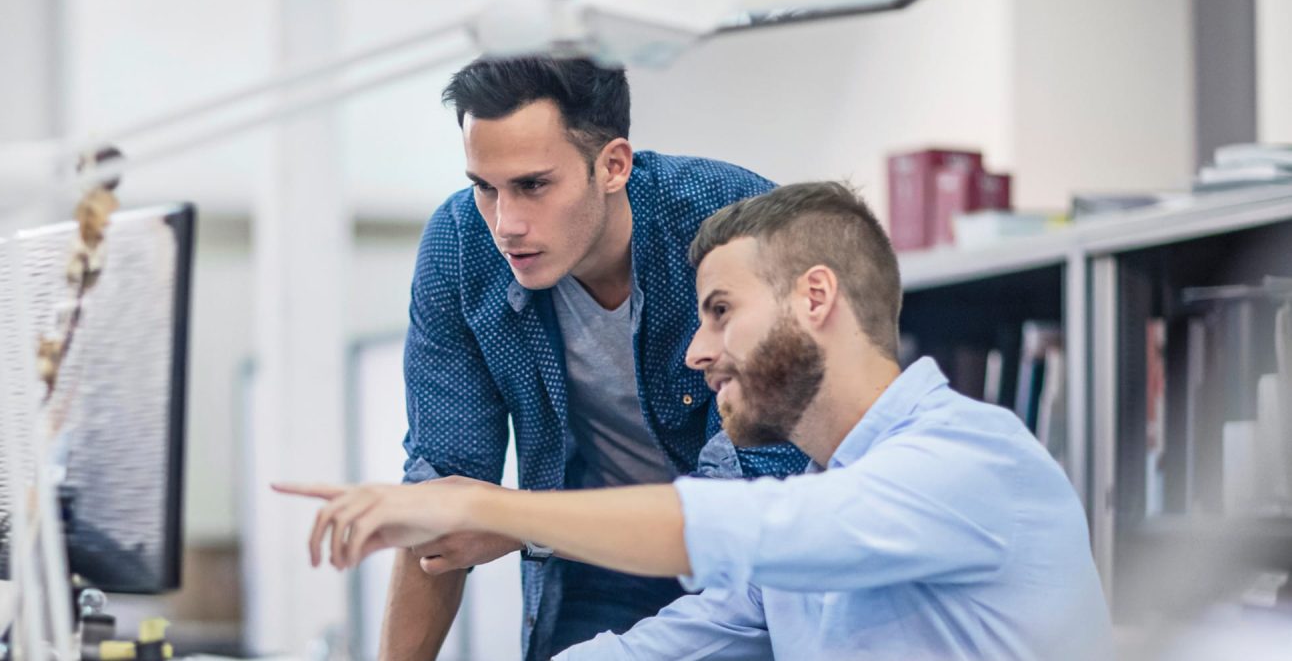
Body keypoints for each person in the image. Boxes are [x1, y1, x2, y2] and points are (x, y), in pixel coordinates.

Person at [280, 182, 1113, 660]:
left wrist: (478, 506)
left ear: (814, 298)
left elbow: (732, 525)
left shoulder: (965, 460)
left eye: (719, 312)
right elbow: (666, 644)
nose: (696, 352)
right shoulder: (829, 497)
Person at [378, 55, 807, 661]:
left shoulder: (733, 224)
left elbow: (750, 499)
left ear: (613, 165)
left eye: (532, 185)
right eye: (484, 187)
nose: (506, 224)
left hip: (752, 569)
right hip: (592, 558)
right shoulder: (460, 247)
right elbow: (441, 492)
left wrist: (519, 521)